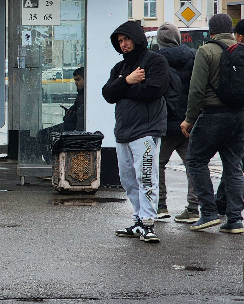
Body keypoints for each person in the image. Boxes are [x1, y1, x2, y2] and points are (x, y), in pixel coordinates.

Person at [102, 20, 169, 243]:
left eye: (126, 39)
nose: (123, 44)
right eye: (120, 41)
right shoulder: (120, 68)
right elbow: (108, 94)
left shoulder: (156, 61)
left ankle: (149, 222)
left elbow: (155, 89)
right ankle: (139, 218)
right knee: (128, 179)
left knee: (147, 176)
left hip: (147, 129)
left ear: (136, 37)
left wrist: (123, 88)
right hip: (123, 130)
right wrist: (128, 81)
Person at [181, 13, 244, 234]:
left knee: (196, 160)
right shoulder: (240, 50)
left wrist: (189, 119)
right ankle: (235, 219)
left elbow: (196, 89)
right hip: (238, 116)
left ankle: (208, 213)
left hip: (213, 115)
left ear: (211, 31)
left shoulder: (206, 50)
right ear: (231, 30)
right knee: (233, 165)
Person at [153, 23, 198, 222]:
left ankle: (160, 205)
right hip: (189, 122)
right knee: (193, 165)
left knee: (158, 164)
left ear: (159, 41)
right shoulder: (194, 56)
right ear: (178, 38)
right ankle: (193, 208)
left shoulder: (156, 60)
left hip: (165, 122)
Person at [36, 67, 85, 162]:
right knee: (43, 135)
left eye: (78, 80)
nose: (76, 83)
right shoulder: (81, 94)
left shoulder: (85, 96)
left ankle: (52, 163)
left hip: (74, 129)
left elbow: (79, 118)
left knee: (43, 135)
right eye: (75, 80)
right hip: (71, 126)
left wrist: (70, 116)